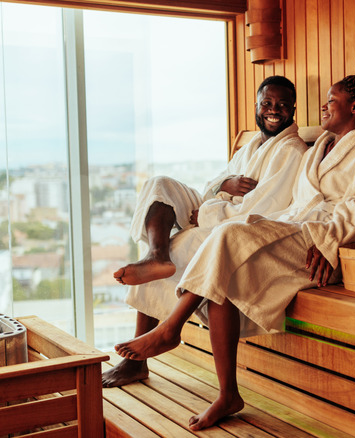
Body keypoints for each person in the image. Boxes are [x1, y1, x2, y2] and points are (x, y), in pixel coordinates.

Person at [114, 57, 355, 430]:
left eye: (331, 101)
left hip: (322, 244)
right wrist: (231, 201)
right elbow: (295, 204)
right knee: (224, 255)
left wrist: (329, 244)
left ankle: (171, 328)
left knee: (227, 236)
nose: (324, 107)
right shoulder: (321, 148)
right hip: (294, 227)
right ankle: (227, 393)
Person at [103, 76, 308, 387]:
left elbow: (264, 208)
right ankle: (155, 256)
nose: (273, 110)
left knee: (181, 246)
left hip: (239, 226)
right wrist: (221, 187)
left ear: (293, 108)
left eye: (281, 105)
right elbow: (215, 184)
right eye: (267, 103)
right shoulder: (253, 144)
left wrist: (208, 213)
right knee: (160, 185)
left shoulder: (291, 151)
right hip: (216, 212)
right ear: (256, 105)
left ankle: (138, 361)